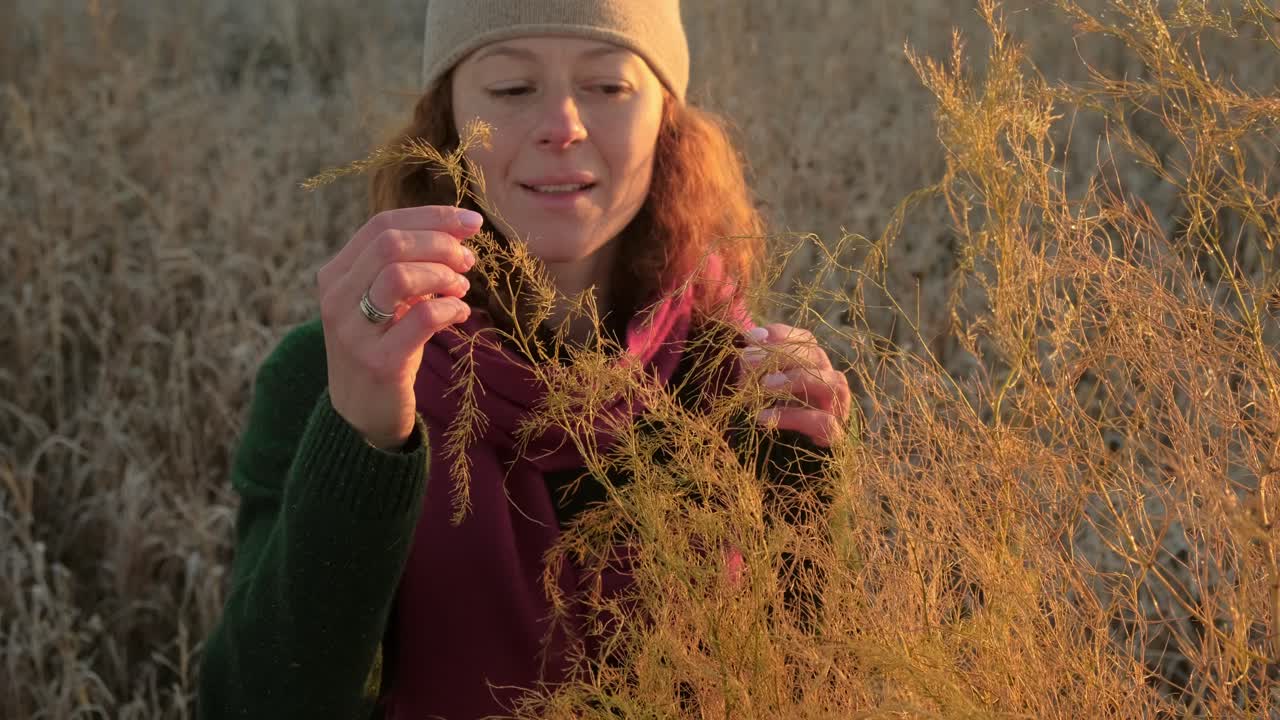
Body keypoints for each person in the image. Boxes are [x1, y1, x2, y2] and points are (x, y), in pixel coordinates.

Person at [197, 2, 852, 718]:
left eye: (608, 87)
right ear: (445, 125)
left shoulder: (740, 379)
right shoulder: (339, 371)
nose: (563, 124)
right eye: (511, 90)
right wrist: (361, 439)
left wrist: (809, 483)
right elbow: (249, 702)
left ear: (667, 121)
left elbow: (812, 683)